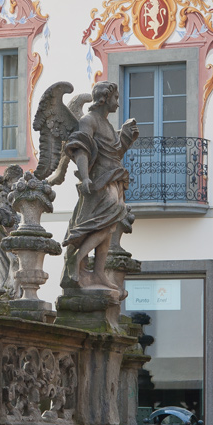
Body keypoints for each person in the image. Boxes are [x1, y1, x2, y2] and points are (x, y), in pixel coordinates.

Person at [61, 81, 138, 290]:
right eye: (116, 99)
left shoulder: (108, 125)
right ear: (104, 98)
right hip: (99, 182)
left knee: (109, 226)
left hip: (113, 178)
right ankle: (77, 260)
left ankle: (98, 273)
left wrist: (125, 137)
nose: (118, 104)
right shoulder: (89, 120)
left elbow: (112, 153)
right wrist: (85, 177)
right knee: (107, 222)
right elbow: (81, 149)